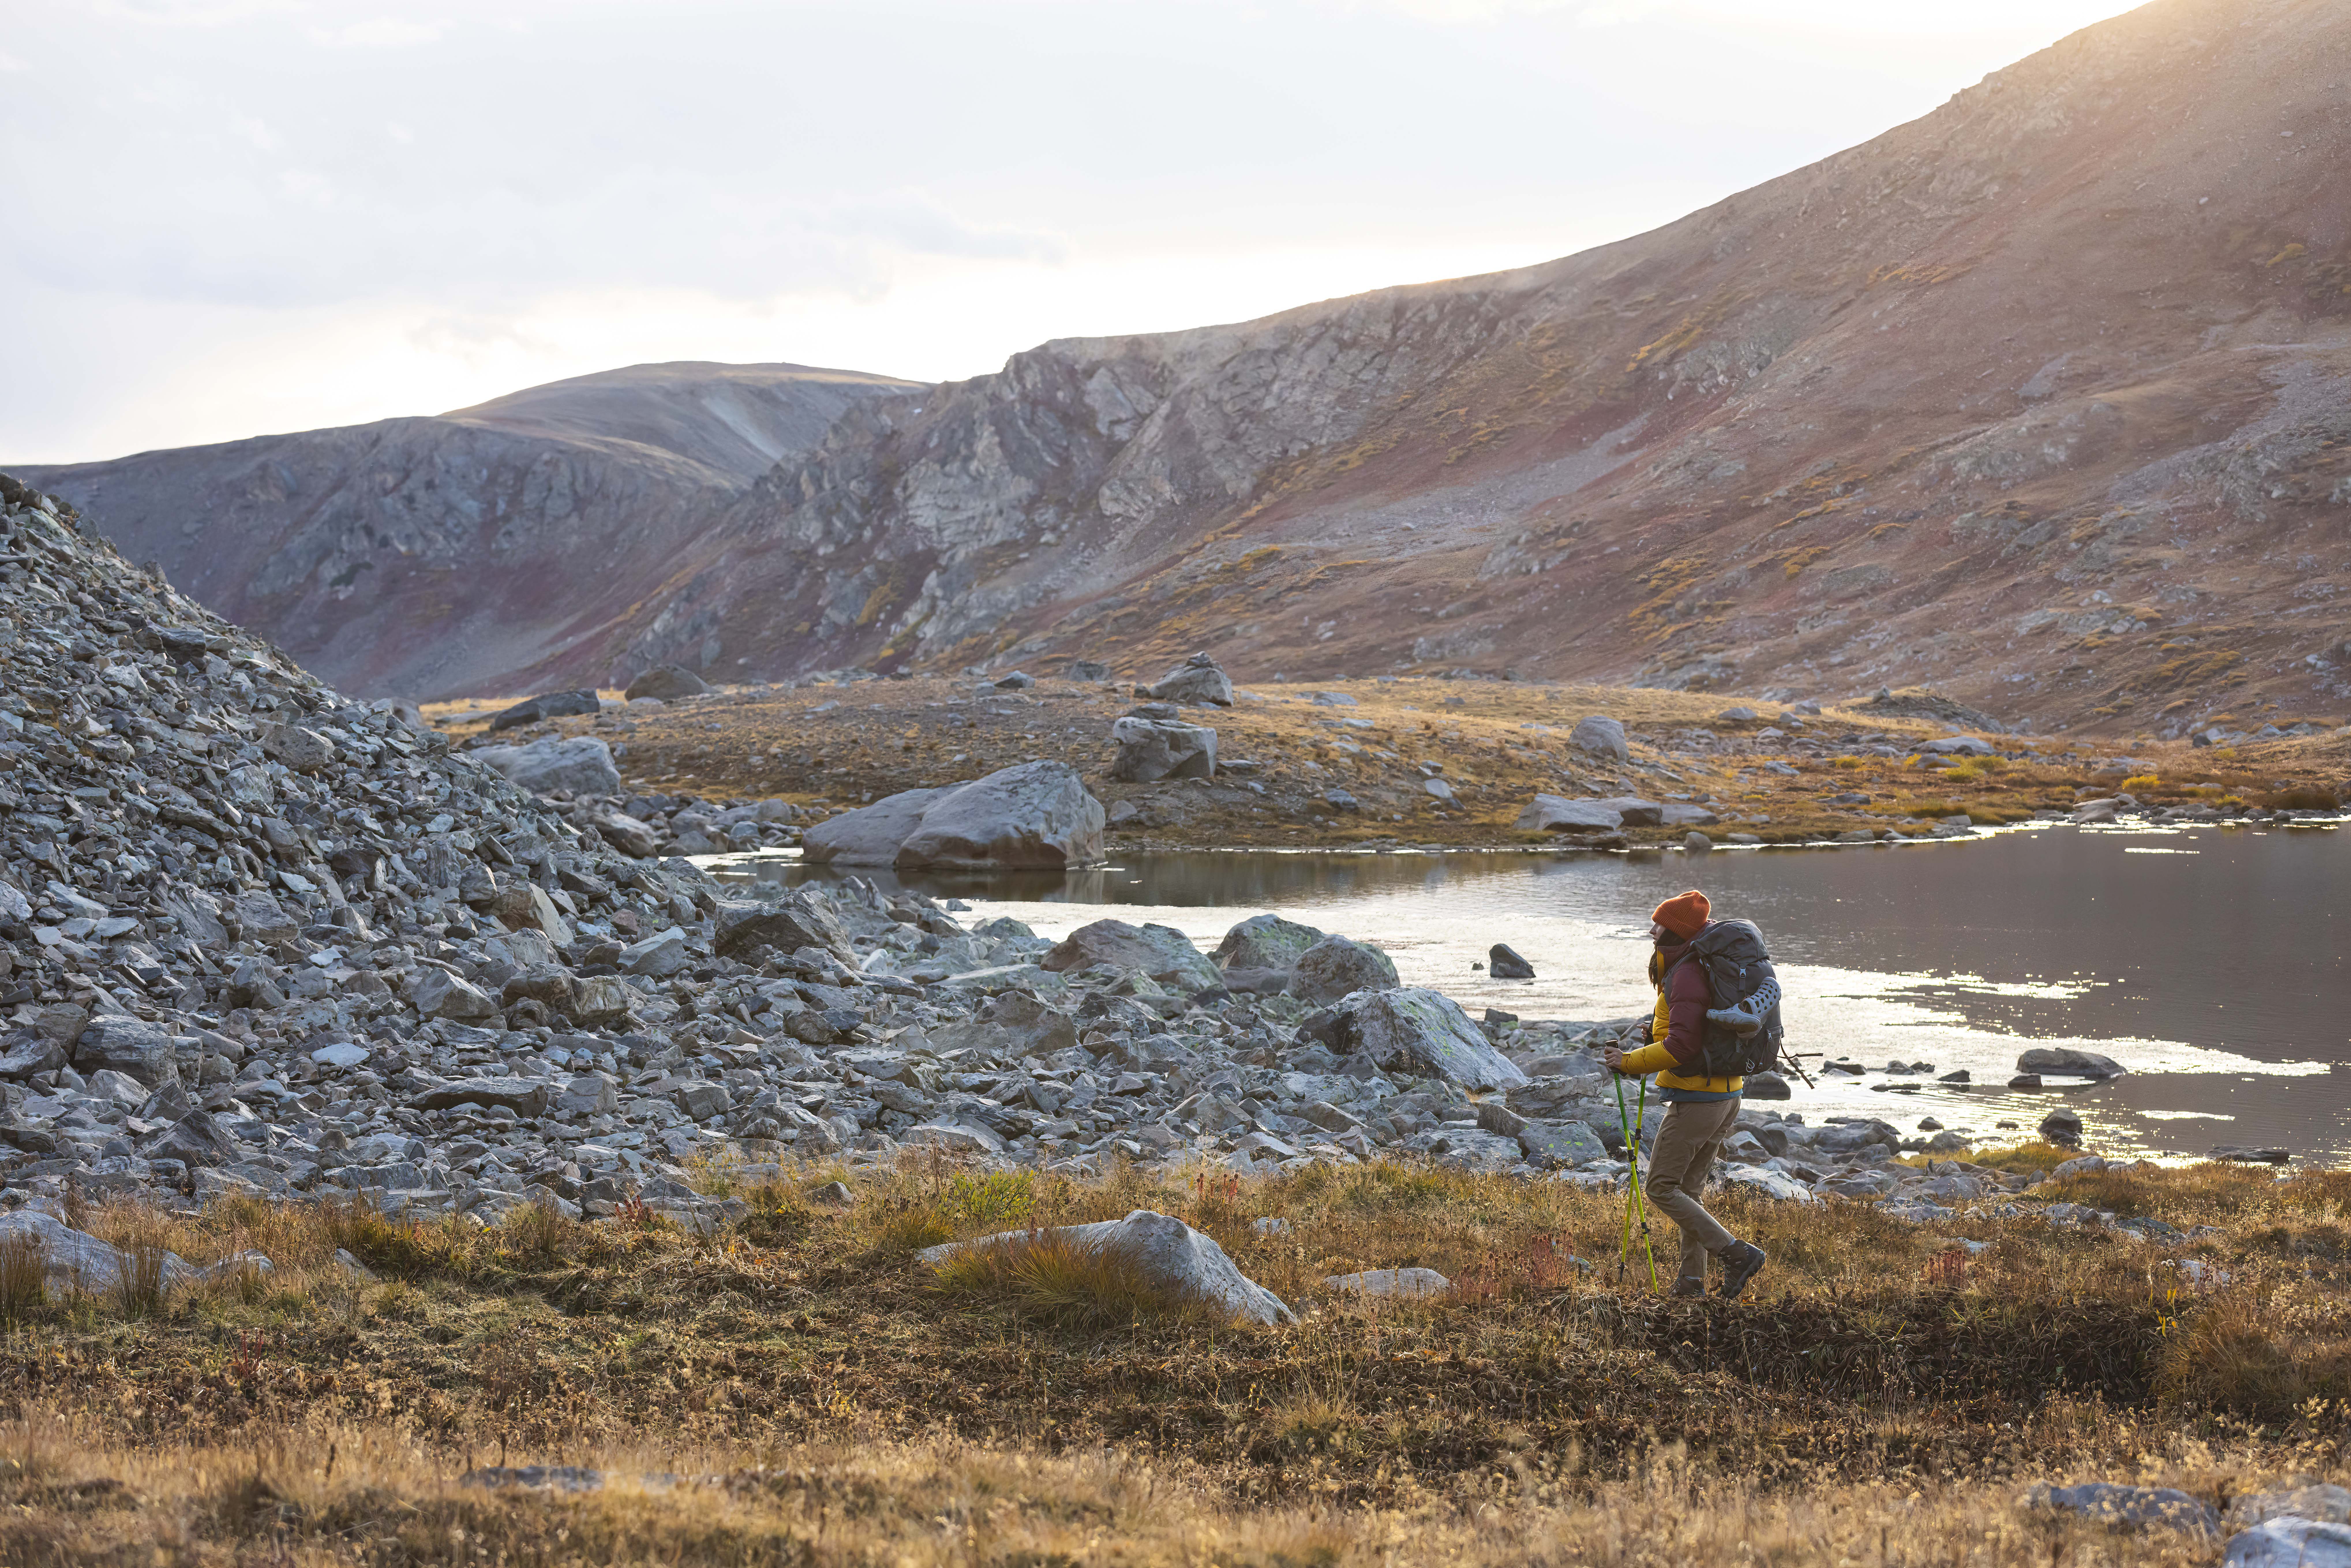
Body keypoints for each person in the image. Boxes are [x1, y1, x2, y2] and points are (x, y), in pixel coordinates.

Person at [1603, 889, 1770, 1299]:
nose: (1651, 930)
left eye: (1657, 924)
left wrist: (1627, 1062)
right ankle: (1690, 1283)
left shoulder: (1687, 973)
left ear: (1673, 932)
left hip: (1697, 1100)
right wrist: (1653, 1037)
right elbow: (1688, 1032)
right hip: (1726, 1095)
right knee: (1689, 1191)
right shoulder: (1699, 965)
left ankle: (1737, 1254)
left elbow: (1681, 1049)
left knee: (1661, 1187)